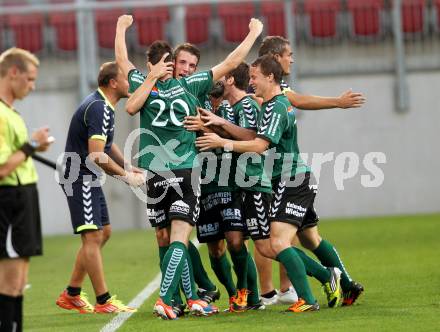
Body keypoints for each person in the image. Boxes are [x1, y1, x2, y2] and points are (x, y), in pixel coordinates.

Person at [115, 14, 263, 319]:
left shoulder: (145, 83)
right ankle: (169, 299)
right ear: (170, 64)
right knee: (178, 237)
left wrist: (120, 28)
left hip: (155, 173)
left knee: (171, 238)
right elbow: (232, 60)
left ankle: (189, 297)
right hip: (184, 171)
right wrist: (253, 33)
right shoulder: (190, 85)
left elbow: (121, 60)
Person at [197, 55, 347, 313]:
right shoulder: (268, 104)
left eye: (255, 77)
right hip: (269, 182)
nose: (252, 82)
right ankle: (324, 278)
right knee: (270, 246)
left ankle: (311, 293)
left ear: (269, 76)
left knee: (277, 244)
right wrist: (220, 125)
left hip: (273, 182)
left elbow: (257, 145)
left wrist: (221, 139)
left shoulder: (274, 106)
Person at [254, 36, 365, 306]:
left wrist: (224, 139)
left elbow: (295, 103)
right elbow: (299, 100)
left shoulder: (271, 96)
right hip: (294, 175)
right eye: (288, 54)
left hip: (281, 178)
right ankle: (345, 283)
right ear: (274, 58)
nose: (291, 59)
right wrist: (336, 102)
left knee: (269, 240)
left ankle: (279, 291)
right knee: (309, 237)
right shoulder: (266, 90)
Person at [55, 62, 144, 314]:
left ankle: (71, 294)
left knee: (103, 232)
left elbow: (105, 145)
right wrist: (126, 176)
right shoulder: (99, 108)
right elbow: (96, 155)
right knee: (93, 236)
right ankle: (103, 301)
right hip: (80, 176)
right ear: (113, 83)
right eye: (126, 79)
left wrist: (127, 164)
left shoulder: (102, 105)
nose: (131, 84)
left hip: (86, 176)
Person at [0, 47, 53, 332]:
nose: (32, 86)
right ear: (13, 73)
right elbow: (1, 168)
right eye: (30, 79)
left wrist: (35, 146)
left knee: (19, 282)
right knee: (9, 281)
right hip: (9, 199)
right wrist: (32, 145)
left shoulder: (12, 113)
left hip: (24, 197)